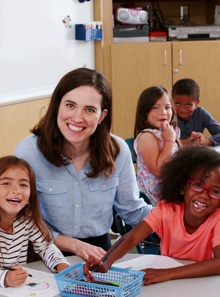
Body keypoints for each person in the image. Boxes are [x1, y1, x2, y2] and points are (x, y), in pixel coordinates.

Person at [15, 68, 152, 260]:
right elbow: (20, 219)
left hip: (97, 252)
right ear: (57, 106)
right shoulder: (28, 152)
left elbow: (132, 211)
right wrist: (72, 244)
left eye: (89, 109)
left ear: (102, 116)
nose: (78, 118)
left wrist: (179, 218)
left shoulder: (118, 150)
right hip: (43, 251)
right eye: (70, 105)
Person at [84, 145, 220, 285]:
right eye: (197, 185)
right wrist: (105, 262)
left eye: (215, 191)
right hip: (167, 281)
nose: (204, 195)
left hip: (201, 281)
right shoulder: (167, 209)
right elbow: (131, 237)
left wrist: (167, 274)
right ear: (182, 187)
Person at [0, 156, 70, 288]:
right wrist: (5, 278)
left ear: (30, 196)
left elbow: (45, 247)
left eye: (23, 185)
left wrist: (61, 264)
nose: (16, 191)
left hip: (11, 294)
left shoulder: (26, 221)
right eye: (6, 183)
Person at [133, 85, 180, 205]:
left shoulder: (166, 132)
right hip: (154, 202)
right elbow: (159, 171)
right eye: (155, 107)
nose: (163, 112)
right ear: (144, 113)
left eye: (167, 107)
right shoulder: (147, 137)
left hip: (171, 193)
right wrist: (169, 141)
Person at [172, 78, 220, 147]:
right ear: (172, 101)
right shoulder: (169, 115)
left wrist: (205, 141)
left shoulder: (201, 113)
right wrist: (186, 142)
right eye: (177, 104)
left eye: (188, 105)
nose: (182, 109)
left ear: (197, 102)